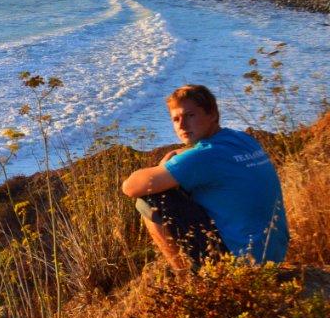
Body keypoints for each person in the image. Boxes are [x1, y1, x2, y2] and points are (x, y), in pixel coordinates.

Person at [121, 84, 289, 270]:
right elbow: (215, 161)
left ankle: (184, 275)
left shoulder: (203, 157)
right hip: (274, 253)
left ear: (212, 114)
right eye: (176, 119)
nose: (182, 125)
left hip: (241, 262)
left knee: (148, 200)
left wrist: (161, 166)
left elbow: (130, 187)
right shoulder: (243, 140)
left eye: (190, 115)